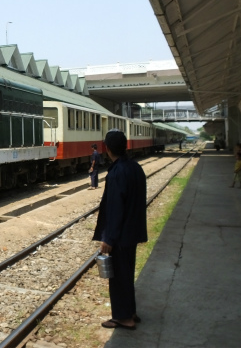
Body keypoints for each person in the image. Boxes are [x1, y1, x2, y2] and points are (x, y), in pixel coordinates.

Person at [93, 129, 147, 330]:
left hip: (121, 236)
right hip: (132, 233)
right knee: (126, 275)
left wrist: (108, 238)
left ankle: (123, 317)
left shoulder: (116, 173)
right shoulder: (135, 167)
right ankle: (130, 311)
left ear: (107, 148)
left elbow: (115, 209)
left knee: (118, 278)